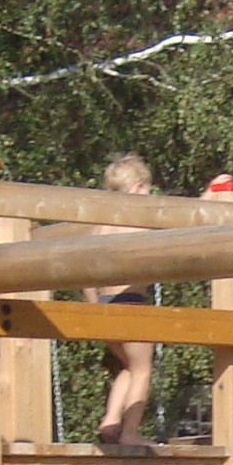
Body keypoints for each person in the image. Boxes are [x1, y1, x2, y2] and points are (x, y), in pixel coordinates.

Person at [89, 153, 159, 446]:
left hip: (103, 307)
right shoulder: (136, 221)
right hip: (130, 303)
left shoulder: (99, 226)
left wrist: (92, 308)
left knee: (129, 367)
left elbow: (83, 271)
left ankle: (111, 419)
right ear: (138, 187)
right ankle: (130, 433)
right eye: (147, 189)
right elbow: (177, 229)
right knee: (143, 369)